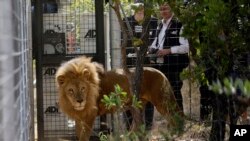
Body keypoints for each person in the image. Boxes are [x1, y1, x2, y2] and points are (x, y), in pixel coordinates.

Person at [122, 0, 158, 130]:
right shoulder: (126, 20)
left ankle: (148, 126)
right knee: (128, 93)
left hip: (147, 63)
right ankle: (129, 126)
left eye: (142, 6)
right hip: (130, 63)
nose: (140, 9)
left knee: (147, 93)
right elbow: (124, 41)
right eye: (137, 6)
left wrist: (147, 51)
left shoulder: (153, 21)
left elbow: (155, 39)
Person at [149, 2, 189, 111]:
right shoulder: (160, 25)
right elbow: (155, 43)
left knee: (174, 91)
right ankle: (170, 118)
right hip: (161, 64)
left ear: (172, 9)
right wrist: (151, 49)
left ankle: (179, 118)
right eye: (161, 9)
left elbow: (186, 47)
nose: (163, 11)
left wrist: (169, 50)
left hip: (175, 64)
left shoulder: (179, 24)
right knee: (163, 92)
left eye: (165, 9)